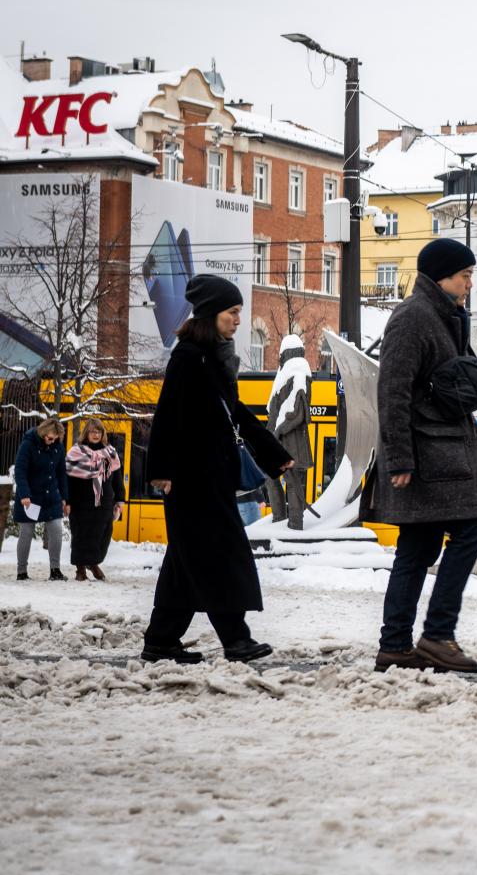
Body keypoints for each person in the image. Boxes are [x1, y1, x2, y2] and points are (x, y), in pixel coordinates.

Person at [142, 275, 294, 664]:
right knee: (218, 556)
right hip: (190, 479)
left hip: (210, 476)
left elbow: (236, 414)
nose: (238, 319)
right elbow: (167, 414)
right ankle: (236, 639)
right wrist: (159, 469)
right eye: (233, 312)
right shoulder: (189, 356)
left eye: (239, 311)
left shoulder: (212, 357)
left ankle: (161, 640)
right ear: (212, 314)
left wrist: (272, 453)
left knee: (186, 562)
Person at [369, 238, 477, 673]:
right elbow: (392, 391)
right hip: (426, 456)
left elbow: (456, 395)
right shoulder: (413, 319)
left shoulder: (445, 317)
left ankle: (395, 646)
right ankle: (437, 635)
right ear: (442, 275)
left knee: (417, 548)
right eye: (465, 275)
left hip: (444, 449)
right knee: (470, 531)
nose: (470, 282)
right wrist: (399, 459)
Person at [264, 333, 314, 529]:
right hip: (280, 440)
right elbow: (275, 411)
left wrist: (278, 431)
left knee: (293, 482)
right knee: (272, 477)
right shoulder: (285, 374)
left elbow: (298, 411)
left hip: (292, 441)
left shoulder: (299, 371)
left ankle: (295, 524)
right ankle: (280, 520)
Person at [65, 416, 124, 581]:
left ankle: (93, 563)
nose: (96, 435)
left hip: (104, 502)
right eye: (92, 431)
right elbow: (68, 480)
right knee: (81, 535)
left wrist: (119, 500)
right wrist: (67, 501)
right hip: (80, 502)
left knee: (103, 534)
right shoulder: (76, 452)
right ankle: (80, 569)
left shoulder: (110, 453)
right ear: (86, 433)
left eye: (99, 432)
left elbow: (117, 479)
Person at [11, 417, 69, 580]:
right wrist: (24, 495)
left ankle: (55, 570)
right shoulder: (28, 444)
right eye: (50, 438)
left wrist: (65, 498)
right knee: (26, 532)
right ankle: (22, 572)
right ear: (43, 433)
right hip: (29, 497)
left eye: (55, 439)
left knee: (56, 530)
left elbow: (61, 474)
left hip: (51, 496)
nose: (52, 442)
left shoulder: (58, 447)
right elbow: (20, 471)